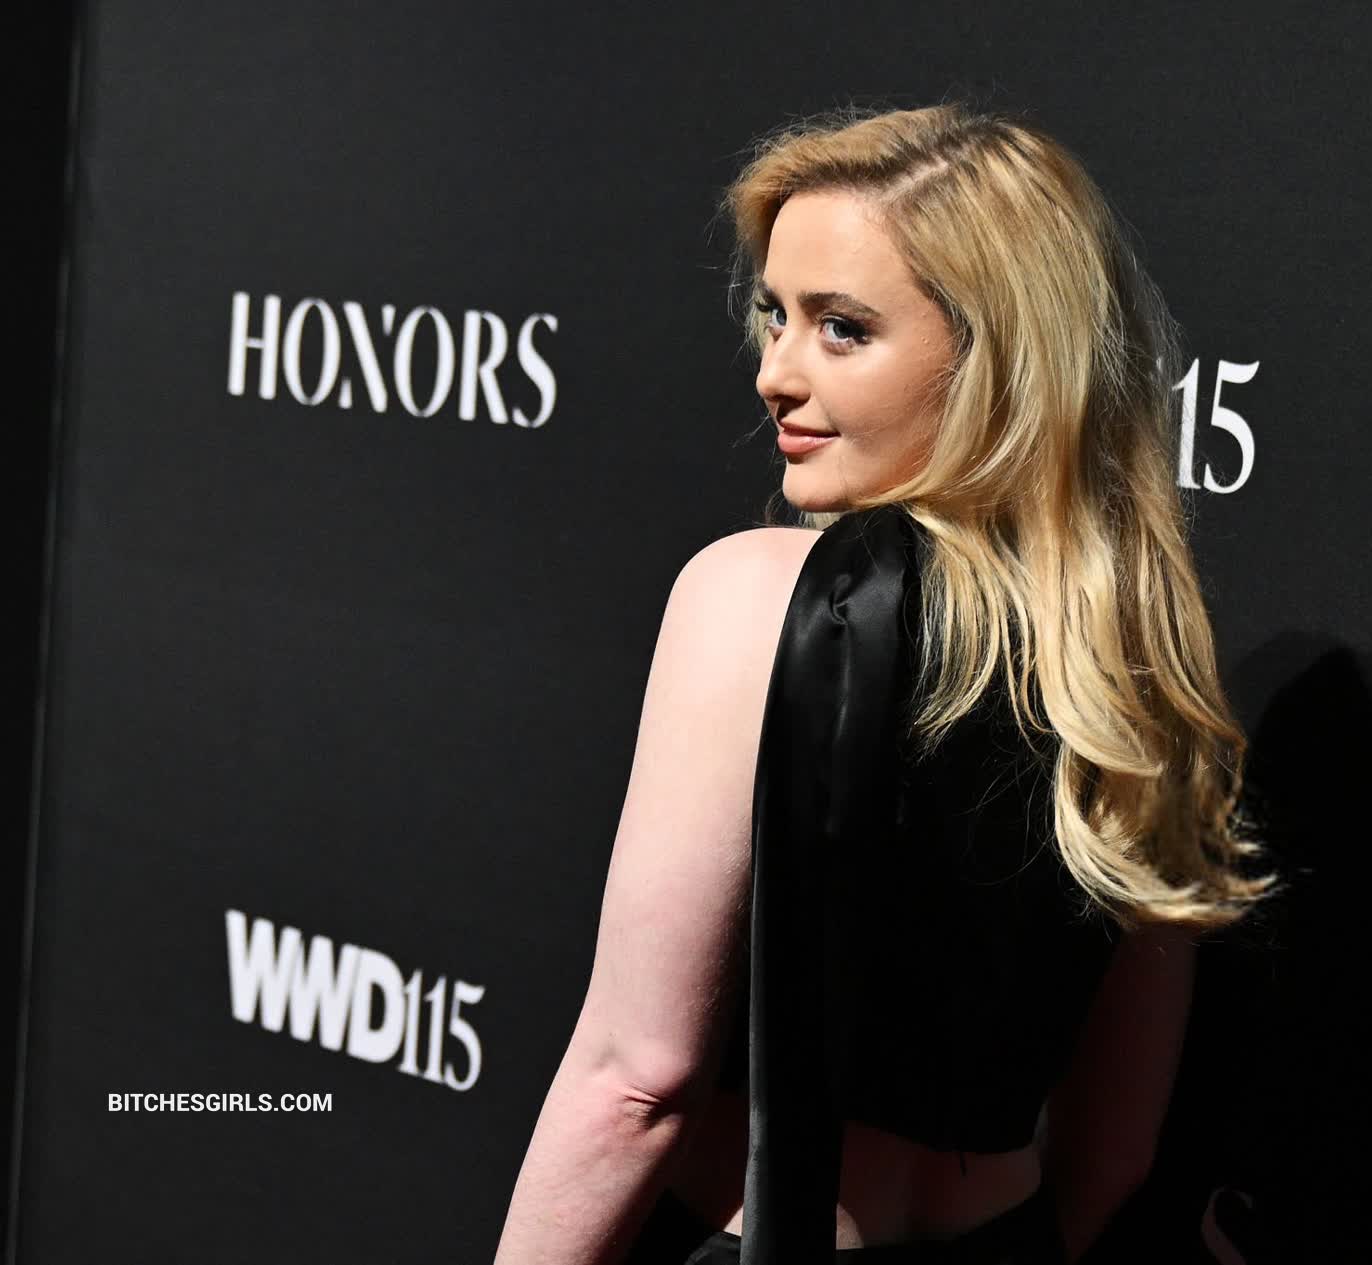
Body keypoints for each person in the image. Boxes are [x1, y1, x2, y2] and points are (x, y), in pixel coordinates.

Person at [493, 101, 1277, 1265]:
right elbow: (1114, 1152)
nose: (775, 373)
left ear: (999, 356)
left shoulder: (758, 595)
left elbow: (635, 1081)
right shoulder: (1139, 657)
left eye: (842, 329)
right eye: (776, 316)